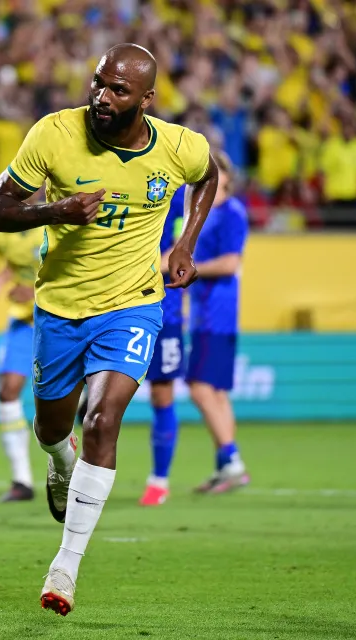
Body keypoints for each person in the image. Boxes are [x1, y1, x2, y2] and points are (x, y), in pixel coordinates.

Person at [0, 44, 218, 615]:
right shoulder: (54, 134)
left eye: (118, 90)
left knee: (102, 420)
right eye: (98, 82)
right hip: (60, 307)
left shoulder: (180, 147)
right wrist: (54, 211)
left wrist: (185, 243)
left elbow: (208, 177)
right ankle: (59, 463)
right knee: (50, 429)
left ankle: (65, 567)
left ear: (146, 99)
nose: (102, 96)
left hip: (133, 305)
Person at [185, 151, 250, 494]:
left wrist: (188, 268)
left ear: (226, 177)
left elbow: (229, 264)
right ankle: (226, 468)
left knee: (199, 388)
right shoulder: (204, 212)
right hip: (206, 313)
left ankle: (231, 459)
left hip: (217, 314)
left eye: (214, 171)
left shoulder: (231, 213)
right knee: (218, 393)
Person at [0, 225, 44, 502]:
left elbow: (81, 270)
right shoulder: (2, 226)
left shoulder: (59, 219)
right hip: (24, 321)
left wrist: (34, 292)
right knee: (7, 391)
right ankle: (22, 480)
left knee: (66, 398)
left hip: (64, 317)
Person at [138, 177, 188, 507]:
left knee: (161, 393)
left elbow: (183, 245)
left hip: (164, 308)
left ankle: (159, 480)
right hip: (116, 304)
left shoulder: (180, 195)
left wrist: (144, 269)